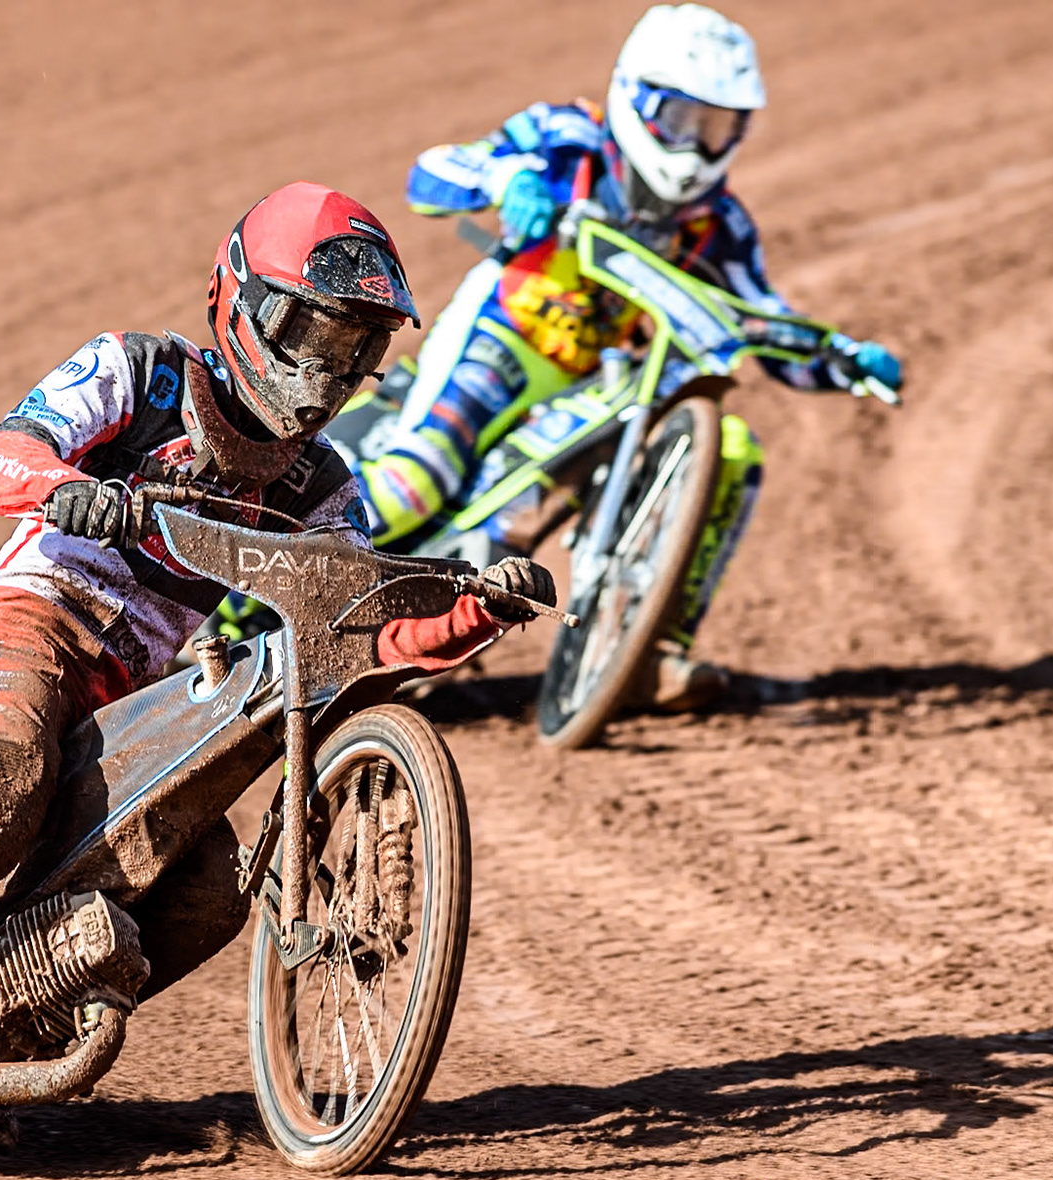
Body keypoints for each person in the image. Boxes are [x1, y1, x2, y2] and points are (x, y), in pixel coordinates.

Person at [0, 182, 554, 1119]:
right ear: (248, 308)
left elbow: (358, 624)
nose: (329, 369)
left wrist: (473, 613)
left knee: (211, 893)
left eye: (356, 346)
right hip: (34, 618)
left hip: (142, 695)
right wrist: (67, 486)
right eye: (316, 336)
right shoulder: (139, 375)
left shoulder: (322, 485)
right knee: (0, 797)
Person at [353, 2, 903, 710]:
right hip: (501, 343)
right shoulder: (568, 139)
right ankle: (248, 600)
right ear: (637, 101)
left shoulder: (717, 224)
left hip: (604, 386)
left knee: (730, 450)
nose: (698, 146)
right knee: (416, 484)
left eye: (718, 127)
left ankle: (654, 653)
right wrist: (508, 180)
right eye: (682, 121)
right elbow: (432, 173)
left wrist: (843, 358)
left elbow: (766, 321)